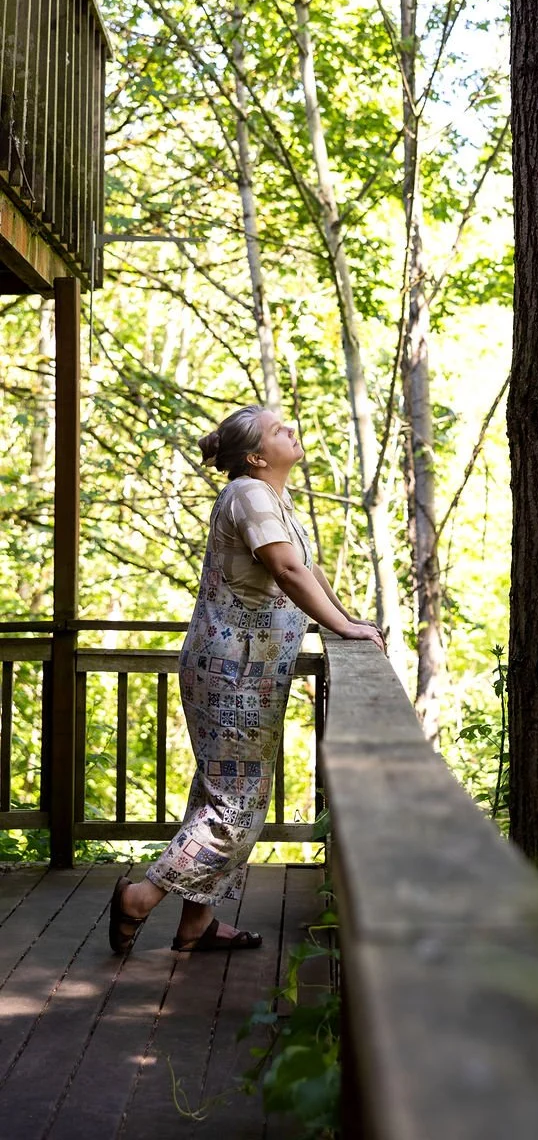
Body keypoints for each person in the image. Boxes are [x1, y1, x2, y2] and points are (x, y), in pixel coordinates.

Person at [107, 404, 384, 954]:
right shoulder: (249, 494)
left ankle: (197, 925)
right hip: (233, 674)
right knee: (234, 804)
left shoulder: (270, 498)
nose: (293, 430)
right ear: (256, 457)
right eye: (279, 430)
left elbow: (309, 571)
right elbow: (285, 570)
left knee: (223, 794)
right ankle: (139, 898)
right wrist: (346, 629)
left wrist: (347, 619)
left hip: (246, 672)